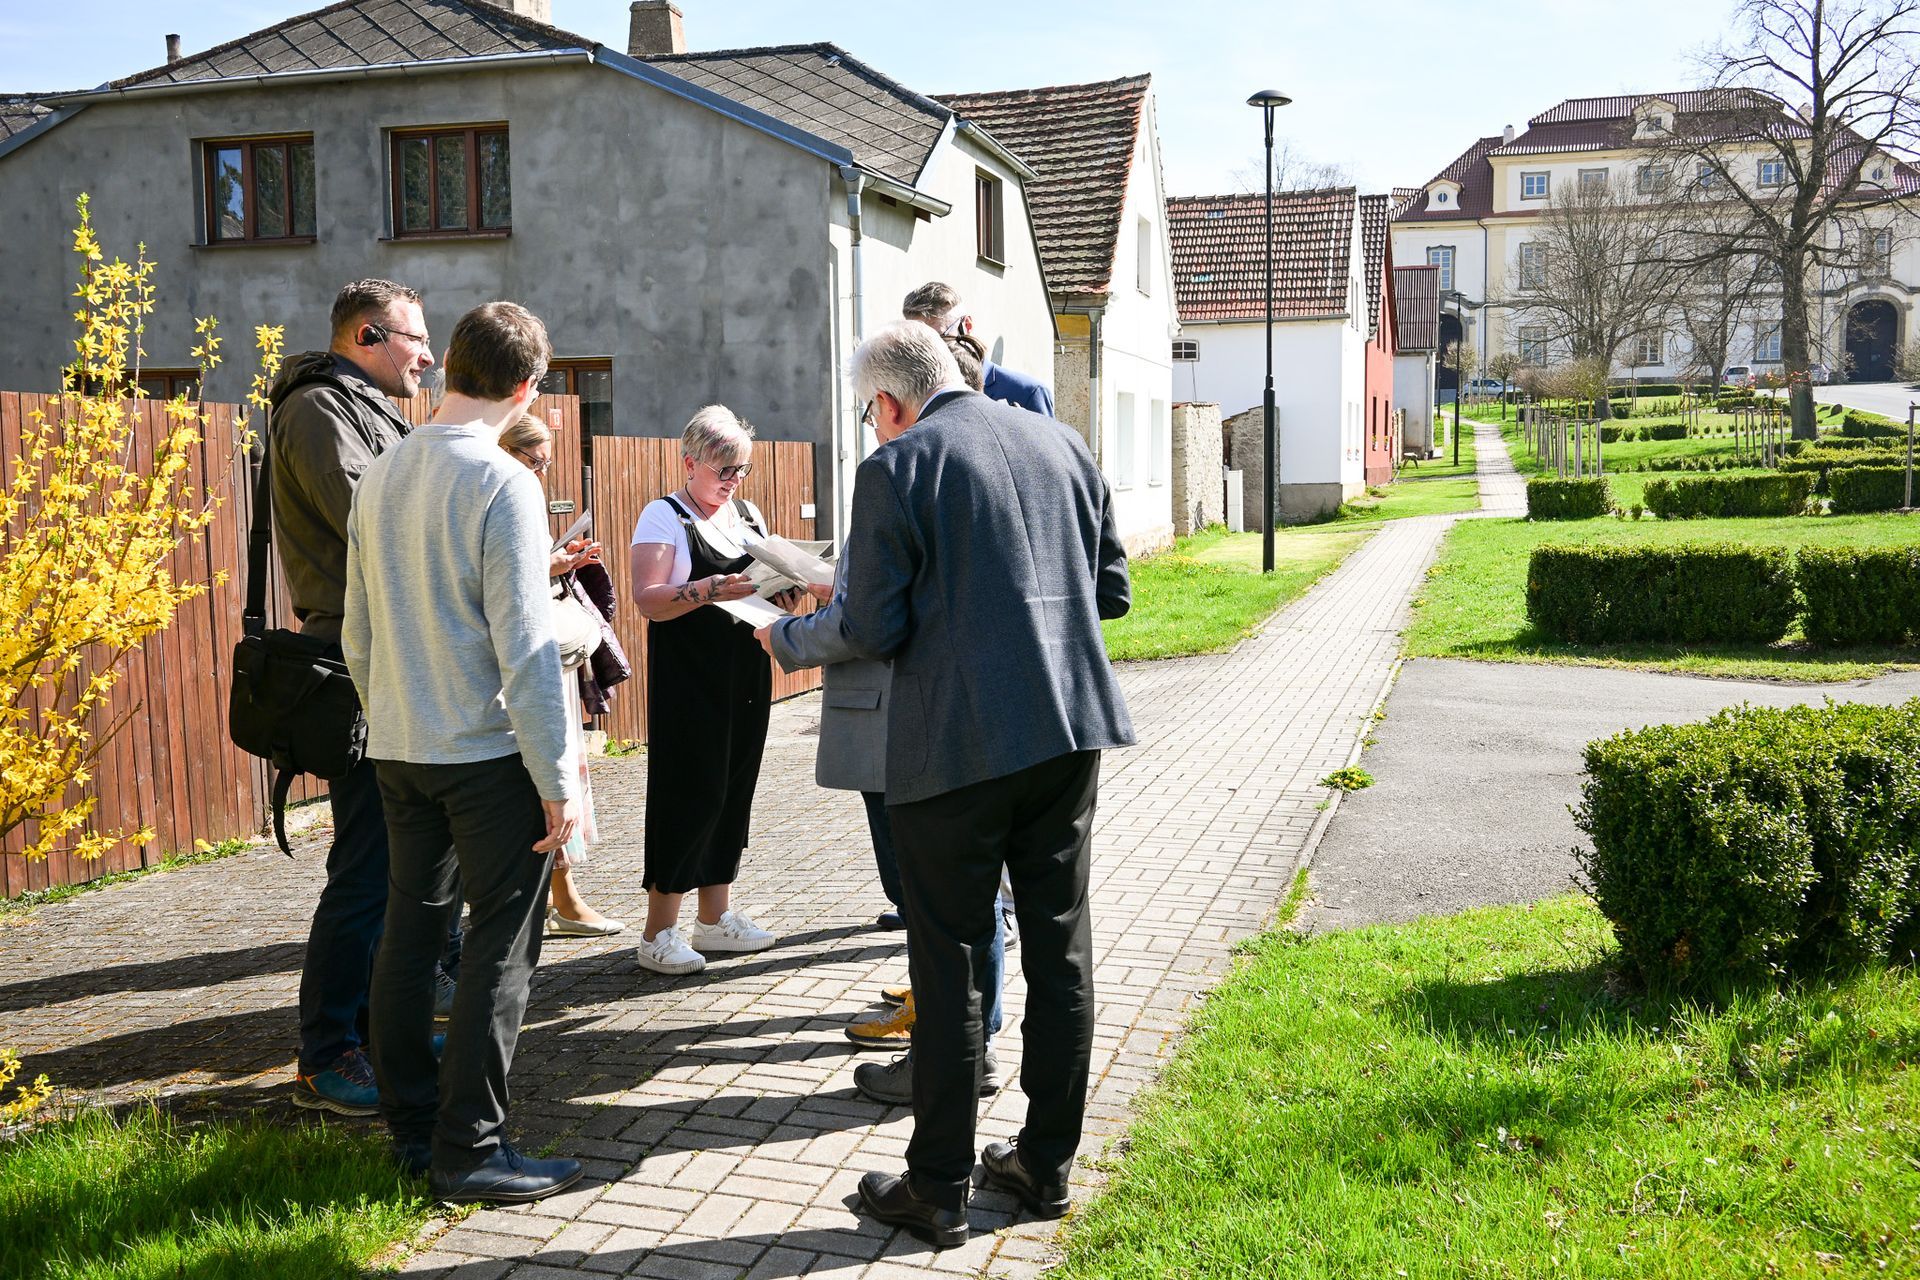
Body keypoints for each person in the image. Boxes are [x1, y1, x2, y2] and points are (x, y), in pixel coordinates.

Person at [838, 322, 1134, 1249]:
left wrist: (787, 635)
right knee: (1060, 946)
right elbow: (1112, 593)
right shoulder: (1064, 442)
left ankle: (937, 1188)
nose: (873, 426)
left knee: (951, 960)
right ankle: (1045, 1164)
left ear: (891, 402)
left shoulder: (897, 467)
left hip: (955, 749)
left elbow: (872, 626)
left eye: (870, 413)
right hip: (1067, 732)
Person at [346, 301, 583, 1204]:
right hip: (485, 756)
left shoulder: (382, 470)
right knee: (500, 947)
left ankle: (411, 1133)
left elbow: (358, 630)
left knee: (409, 937)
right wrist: (557, 779)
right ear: (527, 387)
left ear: (448, 363)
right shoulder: (502, 481)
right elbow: (525, 644)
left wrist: (391, 716)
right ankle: (470, 1150)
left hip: (401, 748)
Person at [267, 277, 460, 1117]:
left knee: (401, 866)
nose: (430, 356)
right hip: (357, 658)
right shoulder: (319, 409)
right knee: (367, 866)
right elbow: (376, 524)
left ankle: (386, 1034)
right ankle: (325, 1055)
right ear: (367, 337)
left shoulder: (367, 408)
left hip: (392, 653)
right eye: (417, 339)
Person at [627, 407, 790, 975]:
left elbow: (760, 587)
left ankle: (714, 919)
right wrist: (705, 589)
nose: (733, 481)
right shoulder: (664, 515)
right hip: (689, 679)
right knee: (687, 794)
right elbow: (648, 600)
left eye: (741, 469)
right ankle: (657, 932)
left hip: (745, 669)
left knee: (732, 790)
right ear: (689, 462)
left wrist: (785, 591)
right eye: (724, 469)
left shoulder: (747, 514)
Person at [498, 414, 626, 938]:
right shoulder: (500, 494)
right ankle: (559, 900)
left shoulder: (517, 494)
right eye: (536, 461)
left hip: (551, 659)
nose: (542, 473)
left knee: (557, 776)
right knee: (543, 778)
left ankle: (562, 896)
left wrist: (560, 561)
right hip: (528, 663)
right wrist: (550, 567)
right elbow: (502, 583)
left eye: (546, 463)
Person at [902, 281, 1055, 417]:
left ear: (967, 325)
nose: (927, 350)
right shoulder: (910, 397)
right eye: (917, 342)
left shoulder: (1028, 393)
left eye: (937, 338)